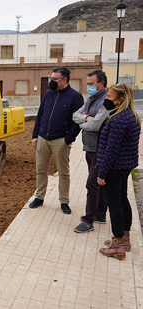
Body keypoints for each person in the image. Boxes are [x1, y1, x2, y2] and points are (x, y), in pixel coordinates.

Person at [30, 66, 84, 214]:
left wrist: (68, 139)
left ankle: (64, 201)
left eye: (54, 79)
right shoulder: (48, 94)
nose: (51, 81)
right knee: (41, 170)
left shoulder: (75, 97)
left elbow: (78, 122)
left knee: (63, 172)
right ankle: (39, 197)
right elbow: (40, 115)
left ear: (64, 80)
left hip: (60, 140)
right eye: (51, 78)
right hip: (42, 138)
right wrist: (35, 135)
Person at [96, 83, 141, 259]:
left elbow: (111, 150)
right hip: (125, 165)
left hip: (114, 167)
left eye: (109, 97)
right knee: (122, 199)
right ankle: (124, 239)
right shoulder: (131, 116)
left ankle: (117, 245)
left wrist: (102, 173)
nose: (106, 100)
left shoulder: (119, 119)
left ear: (120, 100)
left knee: (114, 203)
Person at [73, 70, 110, 233]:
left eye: (91, 84)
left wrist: (85, 121)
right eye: (87, 84)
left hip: (100, 148)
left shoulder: (107, 100)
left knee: (92, 183)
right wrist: (87, 119)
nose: (88, 87)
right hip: (89, 147)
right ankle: (100, 214)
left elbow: (96, 126)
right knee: (98, 184)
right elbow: (75, 115)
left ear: (101, 83)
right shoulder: (91, 99)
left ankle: (88, 221)